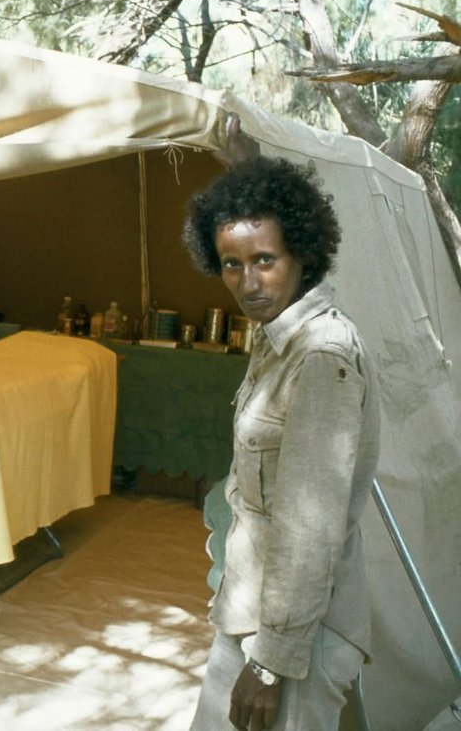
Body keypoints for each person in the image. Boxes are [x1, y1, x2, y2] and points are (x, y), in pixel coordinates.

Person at [181, 155, 380, 731]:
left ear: (301, 254)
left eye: (264, 260)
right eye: (231, 264)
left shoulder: (321, 356)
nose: (248, 281)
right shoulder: (276, 341)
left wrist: (269, 666)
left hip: (292, 638)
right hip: (254, 614)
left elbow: (310, 527)